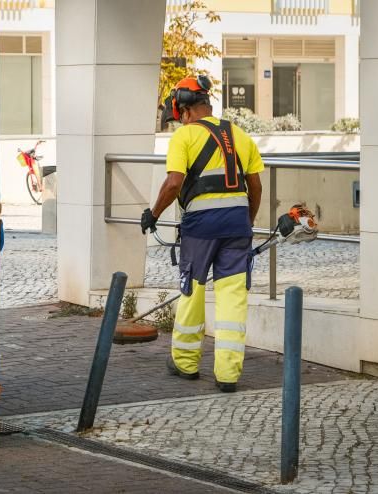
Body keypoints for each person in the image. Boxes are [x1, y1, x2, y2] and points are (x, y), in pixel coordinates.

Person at [142, 76, 263, 393]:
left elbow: (173, 183)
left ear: (183, 109)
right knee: (233, 298)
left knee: (192, 291)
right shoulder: (239, 135)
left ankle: (185, 362)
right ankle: (228, 374)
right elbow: (256, 186)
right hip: (238, 225)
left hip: (201, 227)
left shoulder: (183, 137)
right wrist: (246, 222)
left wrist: (152, 214)